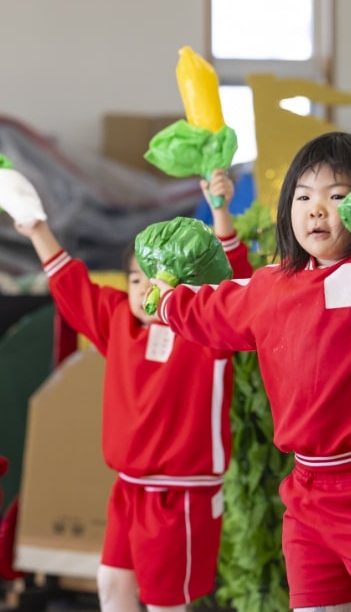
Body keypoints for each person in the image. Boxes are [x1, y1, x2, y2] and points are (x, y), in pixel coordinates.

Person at [150, 132, 351, 612]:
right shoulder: (271, 287)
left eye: (337, 195)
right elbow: (211, 309)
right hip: (305, 496)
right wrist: (164, 300)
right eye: (303, 196)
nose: (316, 209)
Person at [14, 168, 253, 612]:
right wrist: (36, 227)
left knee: (164, 602)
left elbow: (235, 285)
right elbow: (73, 287)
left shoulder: (206, 327)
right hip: (128, 488)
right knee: (112, 583)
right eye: (135, 278)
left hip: (182, 492)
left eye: (156, 278)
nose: (144, 288)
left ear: (183, 283)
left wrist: (220, 213)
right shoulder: (118, 321)